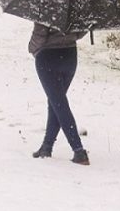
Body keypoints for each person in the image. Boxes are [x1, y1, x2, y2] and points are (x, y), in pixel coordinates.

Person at [28, 22, 89, 165]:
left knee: (59, 104)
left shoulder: (47, 5)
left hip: (48, 58)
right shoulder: (78, 4)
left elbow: (40, 35)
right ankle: (46, 147)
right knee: (56, 102)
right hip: (70, 57)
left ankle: (79, 150)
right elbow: (81, 31)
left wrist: (31, 48)